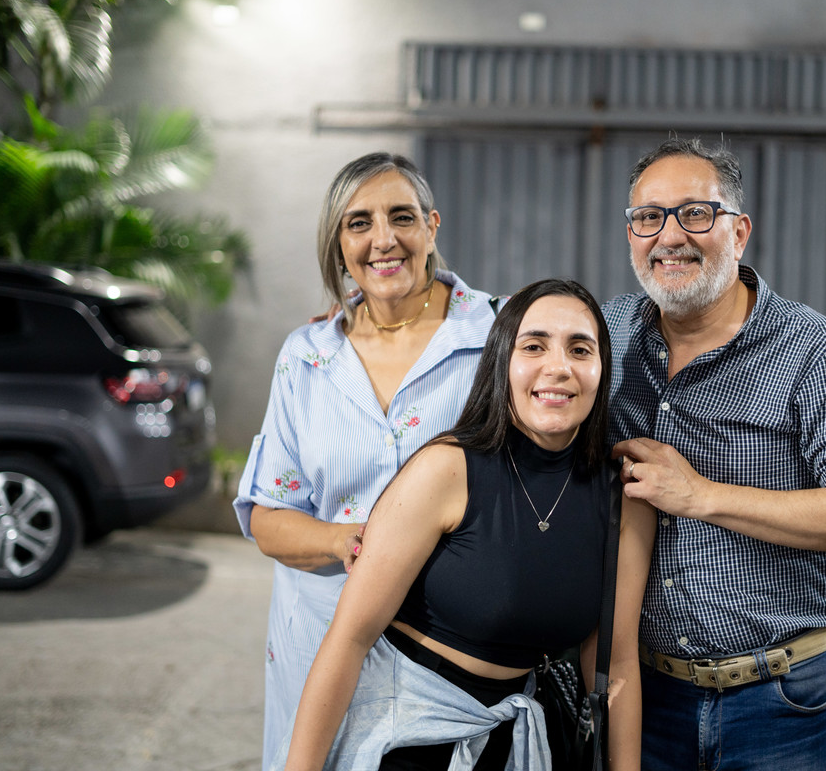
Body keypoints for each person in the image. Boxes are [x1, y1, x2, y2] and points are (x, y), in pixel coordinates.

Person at [605, 137, 826, 770]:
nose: (669, 236)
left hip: (782, 700)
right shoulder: (604, 338)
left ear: (738, 231)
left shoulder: (813, 352)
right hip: (646, 695)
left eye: (695, 213)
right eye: (648, 217)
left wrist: (700, 496)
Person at [277, 278, 655, 771]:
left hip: (515, 741)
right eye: (534, 346)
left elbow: (616, 662)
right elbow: (350, 638)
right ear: (502, 362)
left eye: (580, 349)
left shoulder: (624, 500)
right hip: (402, 736)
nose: (559, 368)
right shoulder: (446, 470)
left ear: (602, 371)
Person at [233, 152, 498, 769]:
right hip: (318, 645)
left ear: (432, 227)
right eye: (359, 223)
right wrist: (341, 541)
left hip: (448, 657)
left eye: (401, 217)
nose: (384, 240)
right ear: (339, 244)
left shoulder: (498, 338)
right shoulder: (308, 356)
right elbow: (268, 515)